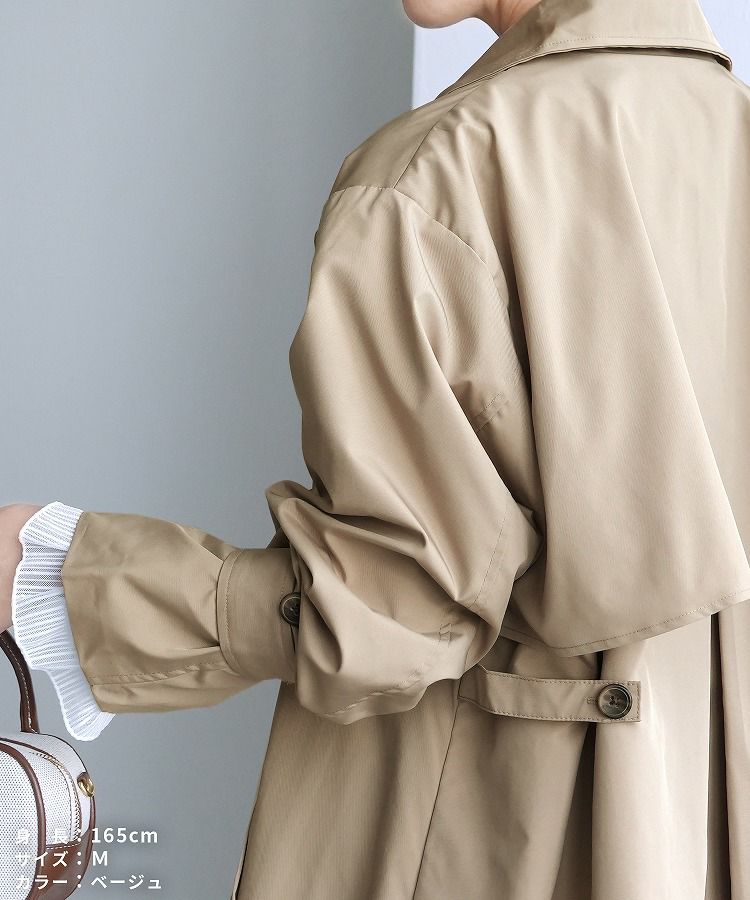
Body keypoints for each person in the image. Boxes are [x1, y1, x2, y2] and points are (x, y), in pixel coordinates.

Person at [2, 0, 749, 897]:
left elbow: (390, 609)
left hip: (492, 835)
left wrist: (64, 579)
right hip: (697, 833)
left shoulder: (438, 171)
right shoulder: (727, 130)